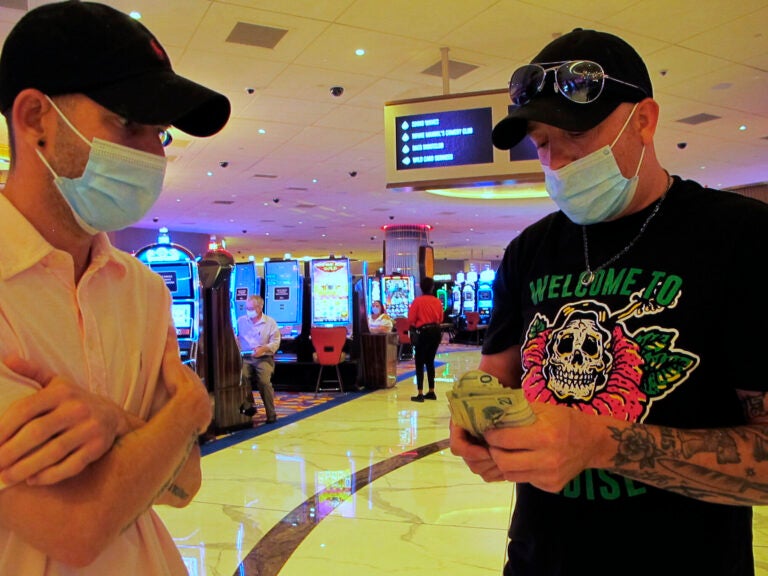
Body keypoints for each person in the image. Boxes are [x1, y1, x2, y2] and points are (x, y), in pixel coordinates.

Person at [449, 28, 768, 575]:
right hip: (537, 557)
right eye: (542, 143)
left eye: (577, 132)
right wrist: (477, 422)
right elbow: (494, 378)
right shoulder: (529, 249)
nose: (559, 160)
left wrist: (598, 443)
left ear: (643, 120)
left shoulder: (741, 237)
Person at [0, 1, 230, 574]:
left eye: (160, 134)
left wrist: (113, 421)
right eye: (129, 124)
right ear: (35, 119)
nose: (152, 154)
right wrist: (186, 413)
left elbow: (184, 486)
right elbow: (76, 530)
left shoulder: (143, 291)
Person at [237, 295, 281, 423]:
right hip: (245, 357)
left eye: (251, 308)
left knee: (264, 382)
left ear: (260, 307)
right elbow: (235, 337)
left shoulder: (270, 322)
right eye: (247, 308)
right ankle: (249, 408)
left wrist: (264, 349)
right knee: (242, 377)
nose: (248, 311)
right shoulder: (240, 321)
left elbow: (276, 342)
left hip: (264, 358)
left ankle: (271, 414)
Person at [407, 277, 444, 402]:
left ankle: (420, 393)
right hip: (435, 332)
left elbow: (411, 319)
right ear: (432, 287)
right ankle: (431, 391)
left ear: (421, 287)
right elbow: (441, 319)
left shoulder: (417, 301)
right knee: (430, 361)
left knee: (419, 361)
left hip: (423, 332)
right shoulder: (437, 301)